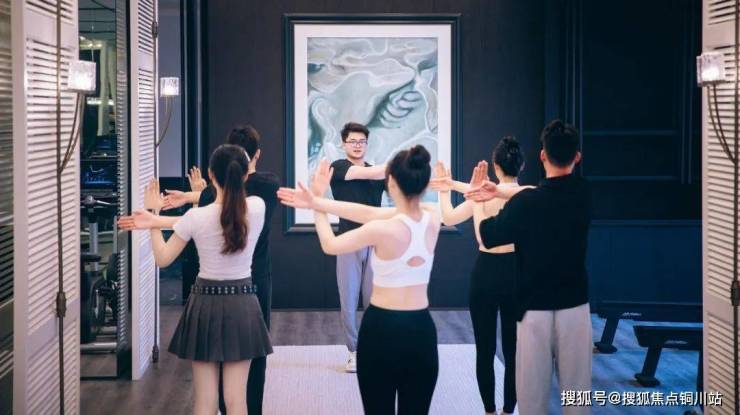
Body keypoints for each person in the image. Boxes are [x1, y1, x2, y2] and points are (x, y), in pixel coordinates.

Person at [121, 125, 279, 415]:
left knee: (205, 402)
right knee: (237, 400)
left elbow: (163, 259)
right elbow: (226, 213)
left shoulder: (195, 218)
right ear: (245, 175)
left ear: (210, 175)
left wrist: (154, 218)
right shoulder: (257, 208)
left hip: (204, 304)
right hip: (243, 303)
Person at [278, 145, 441, 414]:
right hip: (421, 329)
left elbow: (331, 244)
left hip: (381, 329)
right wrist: (316, 201)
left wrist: (317, 204)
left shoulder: (381, 229)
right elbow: (367, 213)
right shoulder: (433, 217)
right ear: (424, 185)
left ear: (390, 182)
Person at [466, 120, 592, 415]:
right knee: (577, 397)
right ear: (577, 157)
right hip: (575, 307)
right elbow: (543, 193)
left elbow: (487, 235)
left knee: (532, 399)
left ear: (542, 155)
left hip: (534, 310)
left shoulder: (525, 205)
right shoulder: (584, 193)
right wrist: (500, 192)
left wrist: (480, 198)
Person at [430, 137, 526, 415]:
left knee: (485, 349)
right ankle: (509, 410)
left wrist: (446, 189)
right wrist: (455, 185)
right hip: (516, 273)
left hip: (485, 273)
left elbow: (448, 217)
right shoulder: (526, 197)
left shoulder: (481, 195)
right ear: (521, 166)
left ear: (495, 166)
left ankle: (489, 411)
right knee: (513, 350)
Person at [329, 122, 387, 372]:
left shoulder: (377, 172)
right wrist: (397, 165)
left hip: (375, 242)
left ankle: (373, 349)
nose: (357, 145)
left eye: (361, 141)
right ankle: (353, 351)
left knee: (374, 301)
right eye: (352, 141)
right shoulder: (339, 167)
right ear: (344, 144)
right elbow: (364, 174)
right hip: (348, 241)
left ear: (367, 144)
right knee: (349, 301)